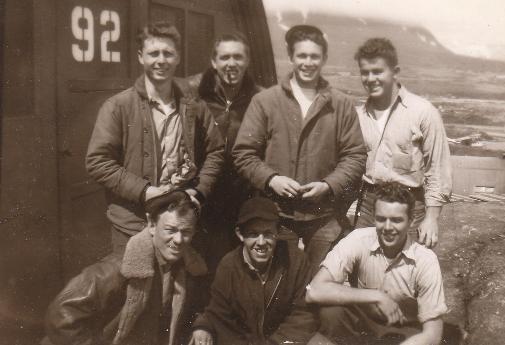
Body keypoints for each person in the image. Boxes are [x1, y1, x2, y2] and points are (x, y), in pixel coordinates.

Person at [232, 25, 367, 271]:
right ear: (291, 56)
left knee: (321, 283)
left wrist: (328, 185)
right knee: (278, 282)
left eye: (314, 56)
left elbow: (355, 156)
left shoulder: (341, 105)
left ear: (324, 58)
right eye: (302, 55)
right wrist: (271, 179)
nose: (308, 62)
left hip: (324, 217)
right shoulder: (265, 102)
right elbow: (243, 153)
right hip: (276, 217)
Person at [86, 21, 224, 254]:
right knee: (135, 287)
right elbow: (98, 162)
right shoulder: (118, 106)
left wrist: (198, 191)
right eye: (153, 53)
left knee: (177, 287)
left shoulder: (194, 106)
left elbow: (216, 151)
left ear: (178, 57)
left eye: (168, 53)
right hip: (132, 224)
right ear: (141, 57)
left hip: (179, 223)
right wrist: (144, 191)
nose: (161, 60)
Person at [42, 190, 208, 345]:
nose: (179, 240)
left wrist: (201, 325)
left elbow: (198, 307)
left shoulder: (188, 269)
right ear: (151, 224)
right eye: (170, 230)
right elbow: (60, 316)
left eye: (186, 232)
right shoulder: (119, 268)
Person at [306, 182, 447, 345]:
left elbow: (433, 334)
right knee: (331, 314)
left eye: (396, 220)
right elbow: (314, 291)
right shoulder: (358, 239)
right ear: (374, 217)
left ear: (411, 221)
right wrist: (376, 296)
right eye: (381, 219)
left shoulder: (425, 260)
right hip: (365, 326)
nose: (388, 227)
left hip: (403, 333)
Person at [353, 38, 451, 248]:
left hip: (409, 205)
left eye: (378, 71)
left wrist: (432, 218)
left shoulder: (423, 112)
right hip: (369, 203)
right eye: (365, 72)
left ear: (394, 71)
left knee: (404, 270)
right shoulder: (357, 116)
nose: (370, 78)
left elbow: (438, 169)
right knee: (363, 267)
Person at [182, 32, 262, 271]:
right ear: (214, 61)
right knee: (199, 258)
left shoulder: (260, 97)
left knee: (236, 258)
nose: (231, 63)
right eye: (225, 57)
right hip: (203, 188)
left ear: (247, 61)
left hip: (242, 190)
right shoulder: (193, 92)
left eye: (238, 57)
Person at [189, 197, 318, 345]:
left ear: (278, 232)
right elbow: (221, 316)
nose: (261, 242)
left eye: (268, 233)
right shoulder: (229, 266)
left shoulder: (295, 260)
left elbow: (304, 314)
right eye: (253, 234)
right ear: (240, 234)